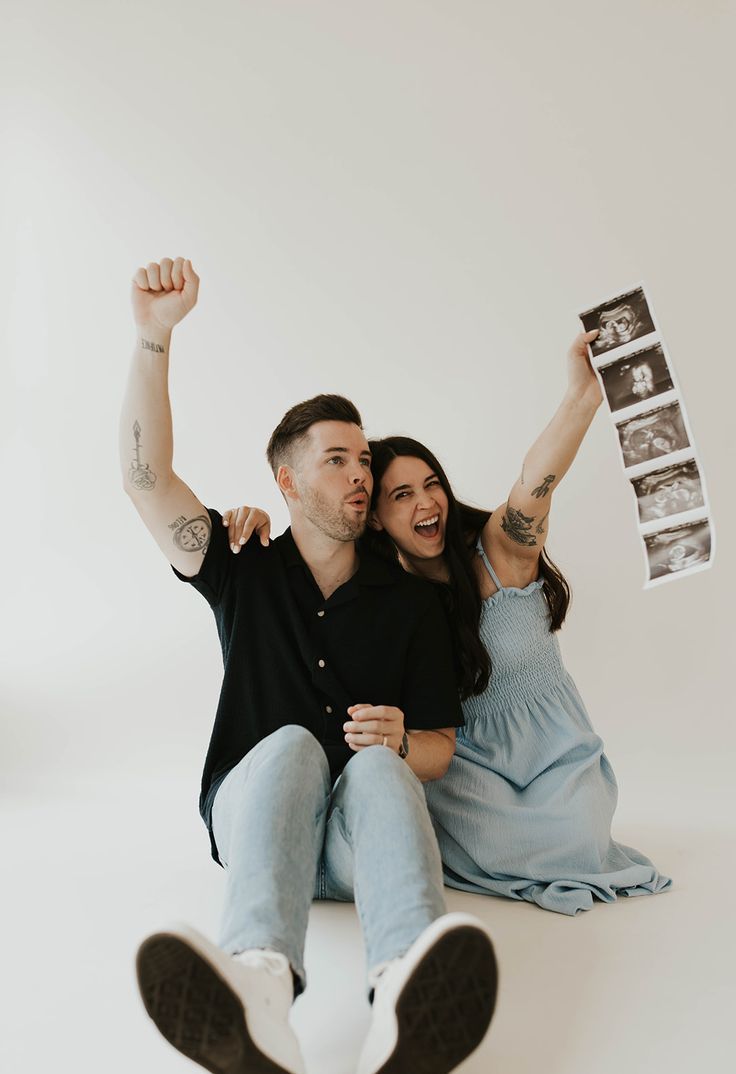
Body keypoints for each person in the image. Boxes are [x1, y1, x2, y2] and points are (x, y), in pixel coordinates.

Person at [120, 257, 497, 1074]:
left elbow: (440, 747)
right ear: (286, 480)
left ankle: (406, 998)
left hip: (358, 849)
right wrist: (154, 336)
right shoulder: (241, 559)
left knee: (378, 769)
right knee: (291, 744)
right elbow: (145, 481)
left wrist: (402, 740)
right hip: (257, 822)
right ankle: (257, 989)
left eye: (365, 460)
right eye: (338, 459)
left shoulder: (410, 606)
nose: (361, 475)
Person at [226, 330, 671, 916]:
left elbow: (536, 483)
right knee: (433, 826)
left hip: (551, 750)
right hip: (464, 767)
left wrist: (581, 398)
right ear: (376, 518)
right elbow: (310, 569)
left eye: (431, 484)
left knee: (580, 835)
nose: (425, 503)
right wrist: (258, 516)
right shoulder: (390, 599)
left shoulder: (499, 550)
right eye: (401, 495)